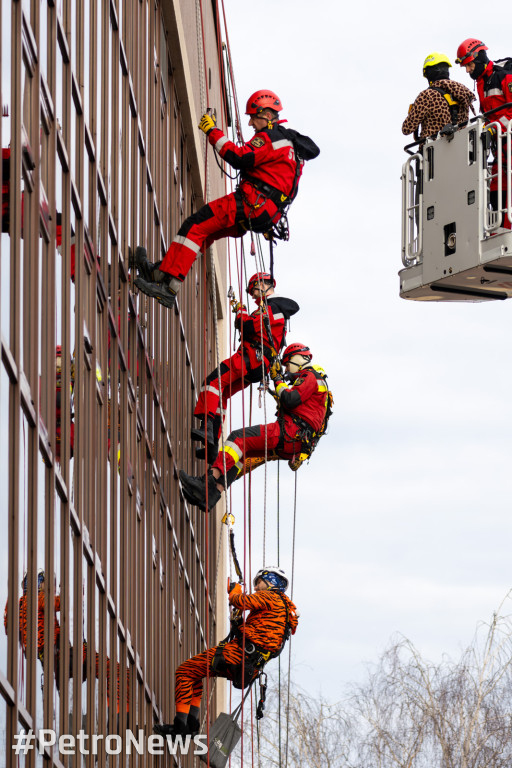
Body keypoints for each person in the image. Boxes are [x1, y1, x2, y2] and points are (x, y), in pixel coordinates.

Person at [131, 90, 319, 309]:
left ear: (267, 114)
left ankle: (168, 286)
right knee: (204, 234)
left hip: (251, 202)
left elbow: (239, 157)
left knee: (195, 225)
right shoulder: (291, 149)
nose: (250, 123)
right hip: (264, 212)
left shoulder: (271, 137)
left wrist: (212, 130)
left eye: (253, 117)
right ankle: (160, 273)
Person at [179, 343, 332, 511]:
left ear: (299, 358)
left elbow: (290, 399)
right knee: (243, 455)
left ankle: (207, 482)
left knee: (238, 438)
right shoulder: (319, 388)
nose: (287, 369)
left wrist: (278, 380)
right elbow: (296, 407)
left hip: (288, 432)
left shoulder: (310, 376)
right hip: (294, 443)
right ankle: (212, 495)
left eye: (287, 364)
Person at [154, 566, 298, 738]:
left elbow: (240, 601)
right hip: (248, 665)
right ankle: (191, 726)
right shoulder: (285, 612)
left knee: (184, 672)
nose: (256, 588)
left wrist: (235, 591)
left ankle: (180, 728)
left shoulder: (270, 597)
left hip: (235, 655)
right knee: (195, 674)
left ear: (270, 581)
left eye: (258, 583)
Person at [191, 271, 299, 462]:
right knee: (221, 393)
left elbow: (249, 326)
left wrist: (240, 313)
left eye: (254, 290)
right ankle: (211, 446)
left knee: (212, 382)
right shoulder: (272, 308)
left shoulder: (274, 307)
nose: (253, 295)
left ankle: (207, 427)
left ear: (263, 284)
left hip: (251, 359)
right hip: (256, 364)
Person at [456, 39, 512, 229]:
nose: (468, 70)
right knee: (495, 189)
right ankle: (499, 231)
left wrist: (494, 128)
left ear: (478, 58)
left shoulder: (504, 77)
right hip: (499, 150)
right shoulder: (481, 83)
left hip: (509, 144)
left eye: (469, 65)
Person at [402, 52, 475, 143]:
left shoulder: (427, 96)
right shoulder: (462, 93)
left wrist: (413, 111)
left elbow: (407, 129)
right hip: (462, 149)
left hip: (433, 152)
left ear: (429, 73)